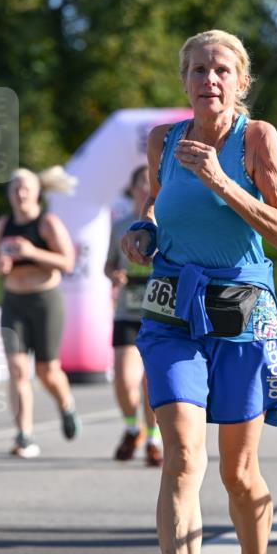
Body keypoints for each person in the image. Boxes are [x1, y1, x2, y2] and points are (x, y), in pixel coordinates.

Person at [121, 29, 277, 554]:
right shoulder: (163, 141)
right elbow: (157, 210)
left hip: (241, 311)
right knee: (181, 456)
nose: (209, 79)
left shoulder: (258, 140)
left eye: (222, 69)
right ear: (184, 81)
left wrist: (223, 181)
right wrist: (141, 233)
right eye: (197, 69)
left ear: (241, 81)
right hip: (172, 309)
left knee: (239, 475)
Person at [0, 167, 80, 458]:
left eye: (26, 187)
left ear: (37, 192)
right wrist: (0, 267)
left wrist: (31, 252)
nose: (20, 192)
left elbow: (67, 262)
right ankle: (24, 435)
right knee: (17, 370)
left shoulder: (47, 223)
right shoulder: (2, 225)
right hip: (13, 301)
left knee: (47, 370)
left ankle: (66, 405)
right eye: (15, 187)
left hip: (45, 301)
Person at [104, 165, 163, 466]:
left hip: (158, 309)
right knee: (124, 378)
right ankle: (132, 426)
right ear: (132, 189)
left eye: (149, 183)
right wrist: (115, 275)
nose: (145, 188)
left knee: (150, 381)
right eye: (140, 183)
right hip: (127, 308)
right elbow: (108, 266)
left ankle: (153, 437)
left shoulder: (168, 223)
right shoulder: (121, 226)